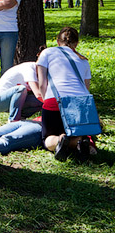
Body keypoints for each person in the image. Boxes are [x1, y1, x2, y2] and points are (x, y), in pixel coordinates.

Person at [36, 26, 93, 162]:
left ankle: (60, 140)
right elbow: (86, 89)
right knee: (76, 133)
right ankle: (79, 142)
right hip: (79, 103)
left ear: (57, 41)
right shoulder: (83, 60)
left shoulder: (47, 53)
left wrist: (46, 100)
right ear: (77, 43)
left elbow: (42, 83)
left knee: (48, 138)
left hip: (54, 100)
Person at [0, 52, 44, 121]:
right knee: (20, 89)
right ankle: (13, 120)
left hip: (12, 100)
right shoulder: (29, 68)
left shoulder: (42, 74)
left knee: (40, 102)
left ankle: (21, 118)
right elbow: (38, 94)